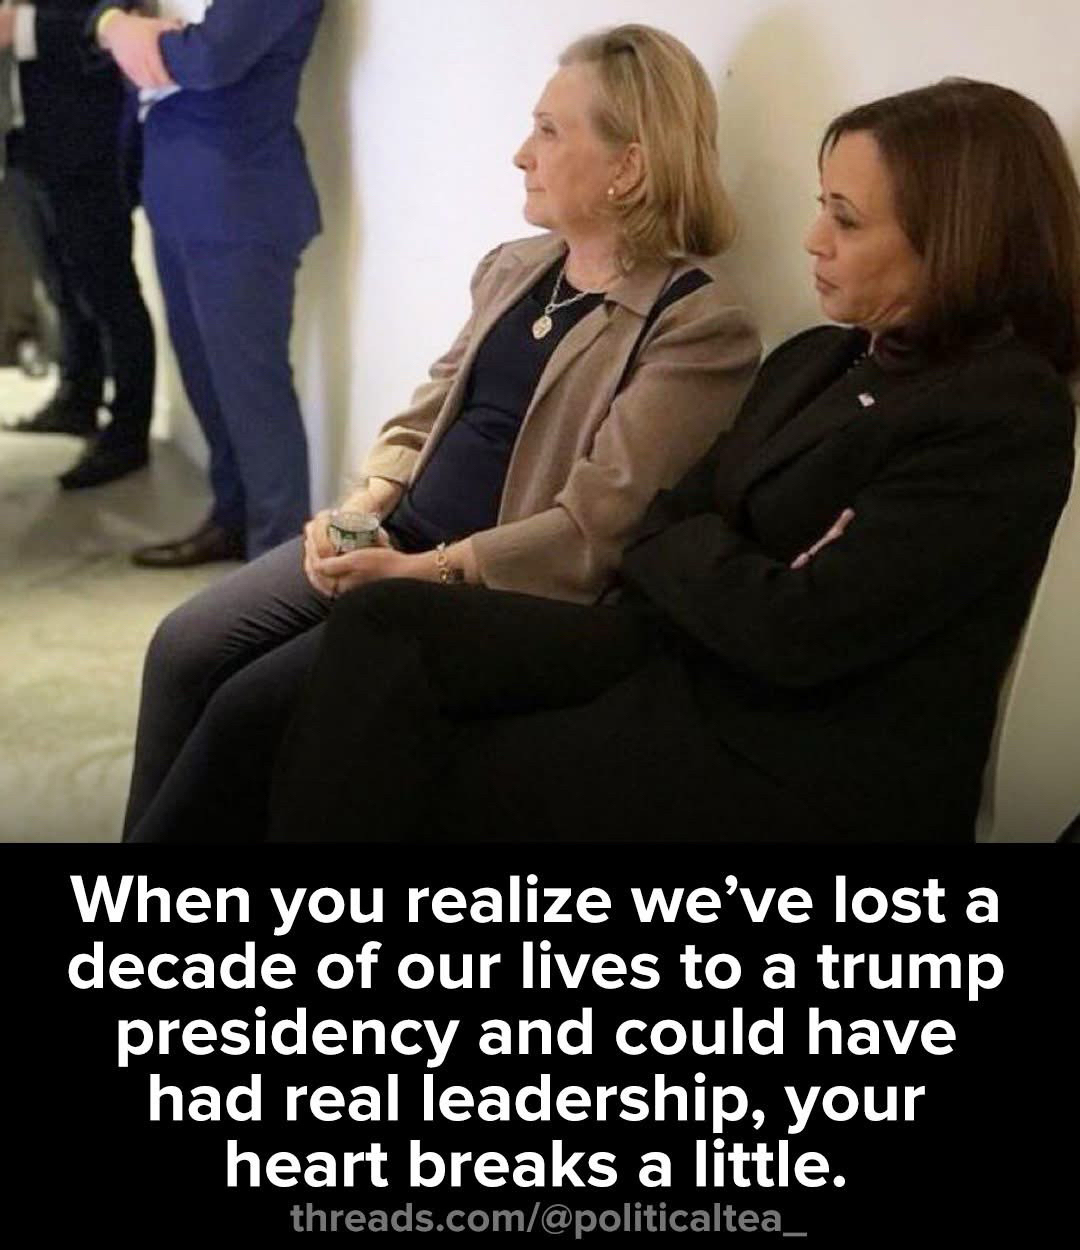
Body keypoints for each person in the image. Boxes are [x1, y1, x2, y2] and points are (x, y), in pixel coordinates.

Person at [265, 78, 1079, 846]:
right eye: (819, 206)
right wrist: (734, 560)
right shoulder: (818, 358)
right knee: (385, 627)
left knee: (440, 762)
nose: (813, 240)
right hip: (681, 650)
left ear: (959, 240)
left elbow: (794, 632)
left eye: (847, 219)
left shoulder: (1003, 412)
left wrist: (709, 552)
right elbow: (660, 525)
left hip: (796, 749)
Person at [121, 23, 761, 842]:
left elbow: (593, 529)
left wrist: (418, 571)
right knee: (183, 646)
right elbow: (427, 410)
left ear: (628, 166)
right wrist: (360, 508)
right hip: (398, 538)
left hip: (487, 588)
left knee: (247, 713)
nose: (522, 154)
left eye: (549, 132)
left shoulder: (696, 327)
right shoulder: (516, 267)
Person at [91, 0, 325, 563]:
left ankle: (275, 561)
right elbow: (116, 21)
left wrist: (131, 37)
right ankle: (234, 521)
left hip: (238, 203)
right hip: (177, 195)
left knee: (251, 390)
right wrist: (116, 24)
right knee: (206, 380)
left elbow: (211, 58)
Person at [0, 0, 155, 487]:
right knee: (59, 284)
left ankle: (128, 432)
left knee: (110, 292)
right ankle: (77, 397)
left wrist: (22, 25)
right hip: (21, 142)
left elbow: (114, 17)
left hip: (84, 146)